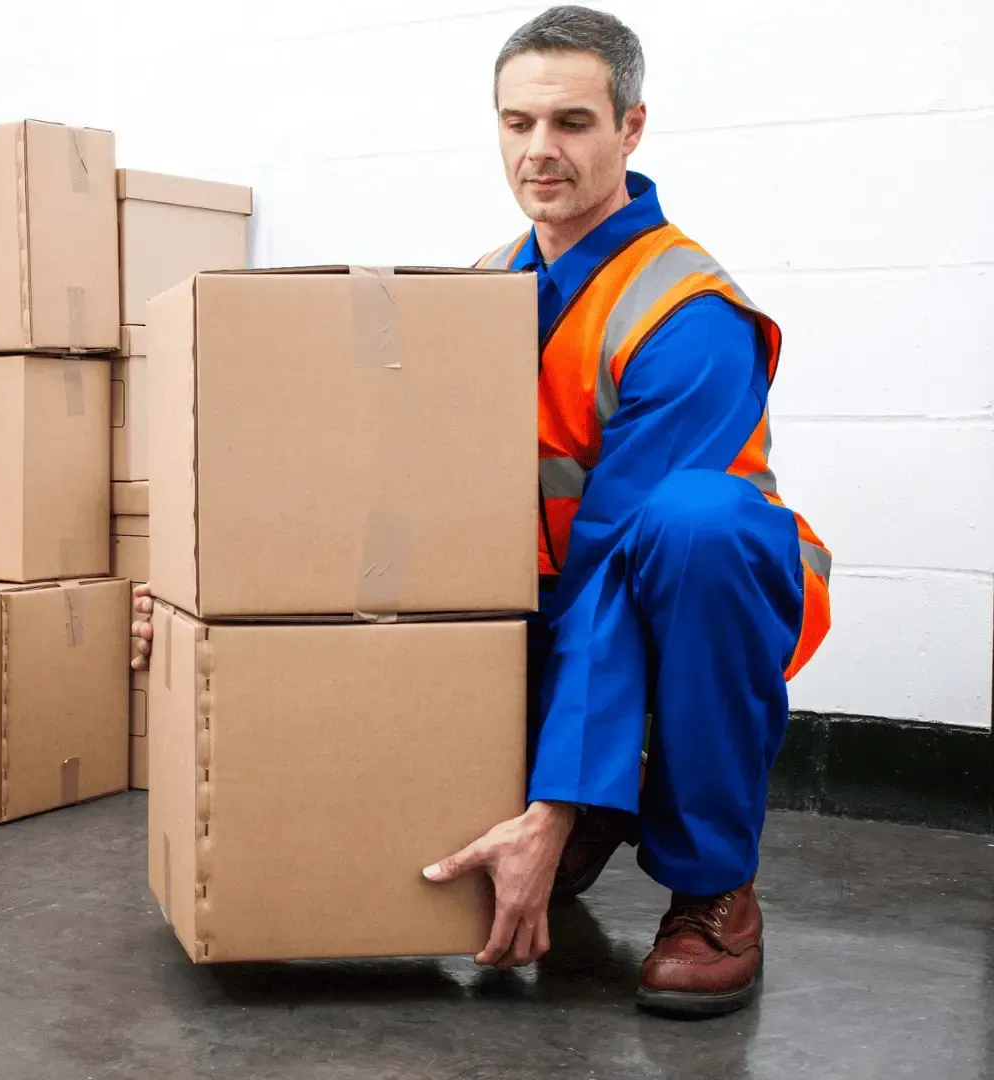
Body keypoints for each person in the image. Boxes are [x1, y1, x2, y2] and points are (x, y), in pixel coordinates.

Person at [129, 6, 830, 1019]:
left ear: (632, 130)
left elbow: (613, 573)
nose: (540, 151)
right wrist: (213, 593)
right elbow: (401, 483)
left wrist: (553, 801)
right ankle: (582, 813)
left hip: (688, 605)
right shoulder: (493, 283)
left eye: (573, 123)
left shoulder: (685, 315)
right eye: (517, 123)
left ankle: (713, 888)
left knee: (693, 525)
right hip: (540, 603)